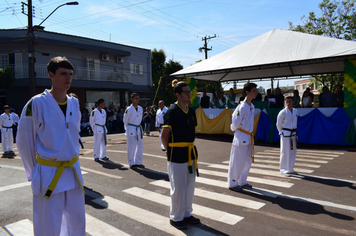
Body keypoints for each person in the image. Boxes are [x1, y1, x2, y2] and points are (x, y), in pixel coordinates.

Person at [16, 56, 85, 236]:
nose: (68, 78)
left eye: (70, 74)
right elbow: (24, 142)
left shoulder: (74, 102)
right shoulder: (36, 103)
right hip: (48, 172)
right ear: (51, 75)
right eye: (63, 74)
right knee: (48, 224)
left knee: (76, 221)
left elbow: (73, 132)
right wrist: (35, 171)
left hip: (72, 170)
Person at [161, 79, 200, 230]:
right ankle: (176, 216)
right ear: (178, 95)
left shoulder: (191, 111)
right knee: (178, 187)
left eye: (189, 92)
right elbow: (164, 135)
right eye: (186, 92)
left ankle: (186, 213)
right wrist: (168, 150)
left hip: (190, 152)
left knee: (189, 185)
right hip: (176, 153)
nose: (189, 94)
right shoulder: (172, 111)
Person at [227, 82, 257, 192]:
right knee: (237, 161)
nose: (255, 93)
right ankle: (232, 182)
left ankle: (242, 180)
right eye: (253, 91)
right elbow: (234, 123)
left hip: (249, 136)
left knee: (247, 161)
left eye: (256, 91)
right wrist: (236, 131)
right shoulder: (241, 107)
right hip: (241, 136)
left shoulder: (252, 106)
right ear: (247, 92)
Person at [277, 96, 298, 176]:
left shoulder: (295, 111)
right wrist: (281, 132)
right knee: (285, 152)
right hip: (285, 134)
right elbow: (278, 124)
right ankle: (283, 169)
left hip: (293, 134)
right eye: (287, 102)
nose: (288, 103)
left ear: (293, 102)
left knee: (293, 152)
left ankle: (290, 168)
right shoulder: (282, 112)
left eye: (290, 101)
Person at [124, 93, 144, 168]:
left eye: (138, 98)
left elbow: (140, 119)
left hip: (138, 129)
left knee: (140, 146)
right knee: (131, 146)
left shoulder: (140, 108)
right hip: (131, 128)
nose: (137, 100)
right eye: (136, 98)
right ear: (131, 99)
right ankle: (131, 162)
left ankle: (138, 162)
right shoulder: (128, 109)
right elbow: (125, 120)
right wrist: (127, 129)